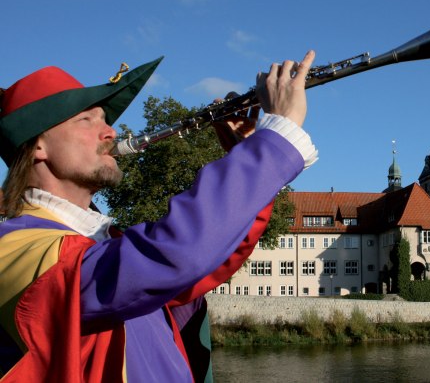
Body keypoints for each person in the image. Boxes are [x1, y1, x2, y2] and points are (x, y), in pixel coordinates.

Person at [0, 50, 317, 382]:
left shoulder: (102, 243)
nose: (110, 133)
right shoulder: (15, 247)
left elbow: (212, 259)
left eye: (104, 119)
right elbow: (175, 253)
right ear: (38, 146)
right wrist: (273, 141)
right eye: (86, 120)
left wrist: (249, 158)